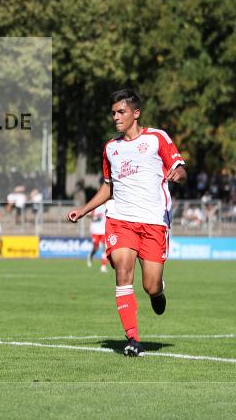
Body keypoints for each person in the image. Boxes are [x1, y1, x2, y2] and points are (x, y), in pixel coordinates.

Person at [67, 89, 186, 357]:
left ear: (136, 113)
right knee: (123, 270)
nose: (116, 117)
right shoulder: (111, 148)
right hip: (120, 220)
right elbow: (109, 187)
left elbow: (180, 168)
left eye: (121, 112)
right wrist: (84, 210)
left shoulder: (157, 138)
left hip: (154, 222)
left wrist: (178, 174)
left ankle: (158, 293)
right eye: (113, 113)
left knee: (150, 285)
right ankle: (132, 338)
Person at [88, 203, 108, 273]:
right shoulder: (95, 205)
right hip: (95, 230)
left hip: (103, 231)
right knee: (95, 247)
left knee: (104, 248)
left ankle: (103, 266)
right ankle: (90, 256)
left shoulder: (107, 206)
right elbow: (88, 214)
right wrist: (93, 217)